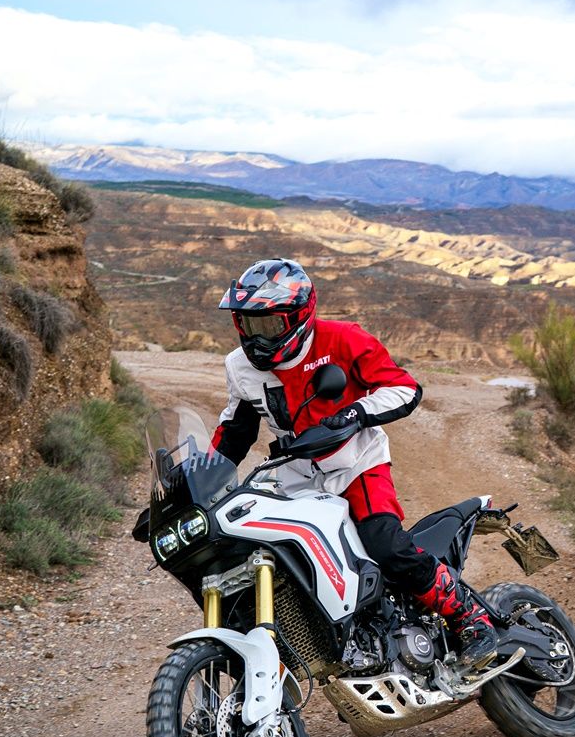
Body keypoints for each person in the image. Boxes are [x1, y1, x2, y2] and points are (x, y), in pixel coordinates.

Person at [210, 257, 497, 671]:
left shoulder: (343, 340)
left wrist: (353, 415)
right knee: (274, 555)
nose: (257, 337)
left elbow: (404, 389)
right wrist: (191, 484)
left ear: (297, 317)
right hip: (295, 480)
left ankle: (470, 618)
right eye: (248, 324)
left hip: (357, 464)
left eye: (268, 325)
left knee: (385, 545)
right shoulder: (239, 367)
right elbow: (234, 433)